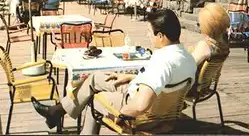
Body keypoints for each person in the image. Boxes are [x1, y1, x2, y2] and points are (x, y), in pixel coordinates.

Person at [31, 9, 197, 134]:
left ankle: (57, 113)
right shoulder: (188, 59)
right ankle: (56, 112)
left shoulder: (161, 62)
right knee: (95, 78)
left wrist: (121, 115)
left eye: (149, 31)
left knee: (94, 99)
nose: (147, 35)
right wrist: (132, 77)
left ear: (160, 36)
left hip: (141, 113)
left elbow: (141, 105)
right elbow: (167, 83)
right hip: (164, 112)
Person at [190, 3, 230, 67]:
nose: (198, 26)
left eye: (199, 23)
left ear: (207, 25)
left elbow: (188, 66)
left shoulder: (205, 46)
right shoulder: (223, 46)